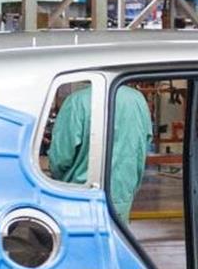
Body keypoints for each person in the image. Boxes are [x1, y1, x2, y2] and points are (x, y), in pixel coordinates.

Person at [49, 84, 153, 223]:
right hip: (122, 192)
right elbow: (143, 145)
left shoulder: (77, 101)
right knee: (115, 240)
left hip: (80, 194)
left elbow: (60, 157)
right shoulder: (137, 100)